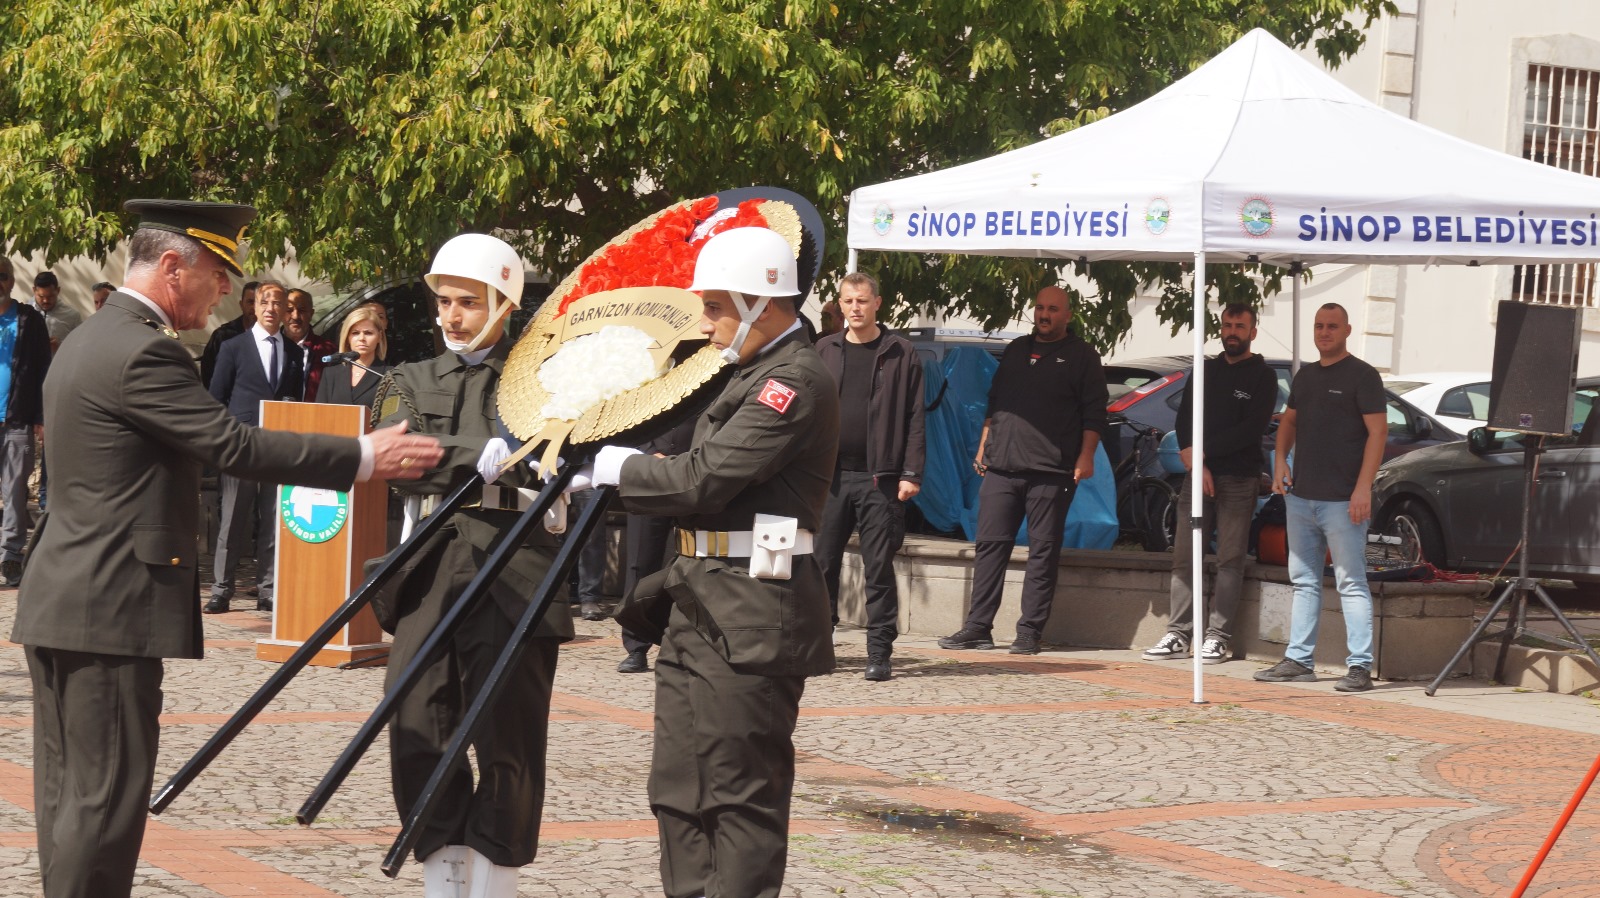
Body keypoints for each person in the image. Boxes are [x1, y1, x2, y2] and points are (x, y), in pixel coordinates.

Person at [9, 198, 441, 898]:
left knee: (70, 798)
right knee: (105, 804)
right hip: (110, 609)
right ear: (173, 266)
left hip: (67, 599)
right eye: (216, 275)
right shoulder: (143, 350)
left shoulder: (93, 337)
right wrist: (360, 455)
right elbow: (232, 444)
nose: (222, 294)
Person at [580, 225, 837, 898]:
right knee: (678, 789)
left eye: (717, 306)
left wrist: (624, 468)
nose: (706, 321)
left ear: (763, 303)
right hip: (699, 603)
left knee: (737, 796)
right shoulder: (748, 374)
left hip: (752, 612)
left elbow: (705, 478)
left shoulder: (793, 380)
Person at [371, 232, 569, 898]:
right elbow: (401, 454)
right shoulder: (407, 378)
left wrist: (513, 457)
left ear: (505, 303)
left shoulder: (541, 382)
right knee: (417, 722)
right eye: (444, 302)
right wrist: (477, 454)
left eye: (468, 302)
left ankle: (495, 879)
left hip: (515, 571)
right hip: (428, 572)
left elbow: (562, 450)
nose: (451, 316)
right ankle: (442, 873)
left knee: (508, 733)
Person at [938, 285, 1107, 655]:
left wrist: (1086, 456)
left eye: (1053, 309)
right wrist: (985, 445)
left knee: (1042, 553)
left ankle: (1029, 631)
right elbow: (995, 402)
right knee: (989, 549)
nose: (1044, 315)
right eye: (1040, 308)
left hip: (1052, 471)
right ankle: (978, 627)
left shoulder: (1082, 357)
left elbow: (1095, 414)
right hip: (1002, 467)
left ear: (1068, 315)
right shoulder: (1015, 350)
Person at [1254, 302, 1386, 693]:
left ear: (1347, 330)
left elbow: (1378, 434)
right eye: (1318, 326)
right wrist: (1279, 461)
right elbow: (1289, 420)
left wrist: (1363, 487)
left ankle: (1360, 666)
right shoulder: (1306, 376)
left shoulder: (1363, 376)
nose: (1324, 332)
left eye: (1332, 326)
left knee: (1351, 581)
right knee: (1304, 581)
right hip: (1301, 498)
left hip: (1344, 501)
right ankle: (1299, 659)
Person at [1142, 302, 1276, 664]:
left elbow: (1252, 429)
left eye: (1240, 326)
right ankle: (1178, 633)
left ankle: (1217, 637)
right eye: (1228, 324)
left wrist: (1201, 455)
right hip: (1196, 478)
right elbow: (1185, 418)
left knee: (1230, 559)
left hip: (1238, 478)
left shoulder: (1263, 377)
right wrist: (1191, 455)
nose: (1232, 331)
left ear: (1253, 332)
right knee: (1185, 556)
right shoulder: (1203, 371)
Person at [814, 272, 924, 681]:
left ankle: (879, 652)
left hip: (881, 478)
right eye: (847, 301)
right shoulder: (824, 348)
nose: (855, 308)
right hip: (830, 478)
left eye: (862, 300)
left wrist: (911, 473)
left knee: (878, 567)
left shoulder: (901, 352)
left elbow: (915, 416)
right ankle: (820, 647)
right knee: (821, 565)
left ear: (877, 303)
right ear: (839, 305)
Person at [206, 281, 305, 613]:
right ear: (255, 305)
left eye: (278, 303)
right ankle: (221, 589)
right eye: (265, 301)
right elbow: (217, 398)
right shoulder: (233, 347)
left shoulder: (294, 352)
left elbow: (296, 399)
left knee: (274, 520)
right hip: (241, 444)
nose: (271, 308)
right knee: (233, 519)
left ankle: (268, 588)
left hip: (277, 445)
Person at [0, 257, 50, 588]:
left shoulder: (29, 320)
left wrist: (41, 416)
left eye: (2, 276)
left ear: (12, 281)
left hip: (16, 419)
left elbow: (44, 369)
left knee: (15, 492)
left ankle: (11, 556)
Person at [313, 304, 391, 408]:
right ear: (347, 337)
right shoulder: (330, 374)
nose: (361, 338)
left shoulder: (389, 375)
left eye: (368, 333)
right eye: (355, 333)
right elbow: (319, 414)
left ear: (380, 336)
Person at [200, 280, 257, 388]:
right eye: (250, 302)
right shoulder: (223, 336)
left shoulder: (271, 338)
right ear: (241, 304)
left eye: (259, 303)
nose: (254, 307)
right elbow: (208, 372)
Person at [286, 287, 336, 400]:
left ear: (311, 313)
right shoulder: (271, 347)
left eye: (302, 310)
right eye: (289, 310)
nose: (295, 316)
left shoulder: (328, 351)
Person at [31, 272, 82, 353]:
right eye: (41, 296)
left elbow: (81, 347)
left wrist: (60, 347)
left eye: (50, 296)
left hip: (60, 364)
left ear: (58, 291)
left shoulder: (73, 316)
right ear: (34, 290)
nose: (45, 300)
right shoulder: (25, 313)